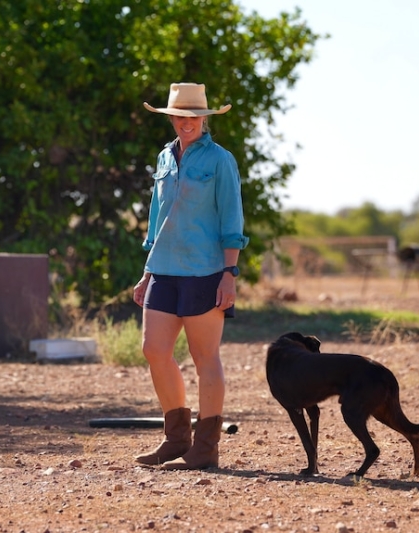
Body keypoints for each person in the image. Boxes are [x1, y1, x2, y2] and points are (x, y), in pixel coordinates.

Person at [132, 83, 249, 470]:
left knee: (204, 357)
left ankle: (206, 448)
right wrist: (148, 271)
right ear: (171, 118)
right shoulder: (165, 157)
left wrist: (229, 273)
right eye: (179, 116)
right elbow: (157, 217)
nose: (186, 123)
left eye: (193, 116)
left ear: (205, 119)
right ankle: (176, 437)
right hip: (163, 270)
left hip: (205, 272)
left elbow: (232, 218)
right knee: (154, 349)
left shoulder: (220, 160)